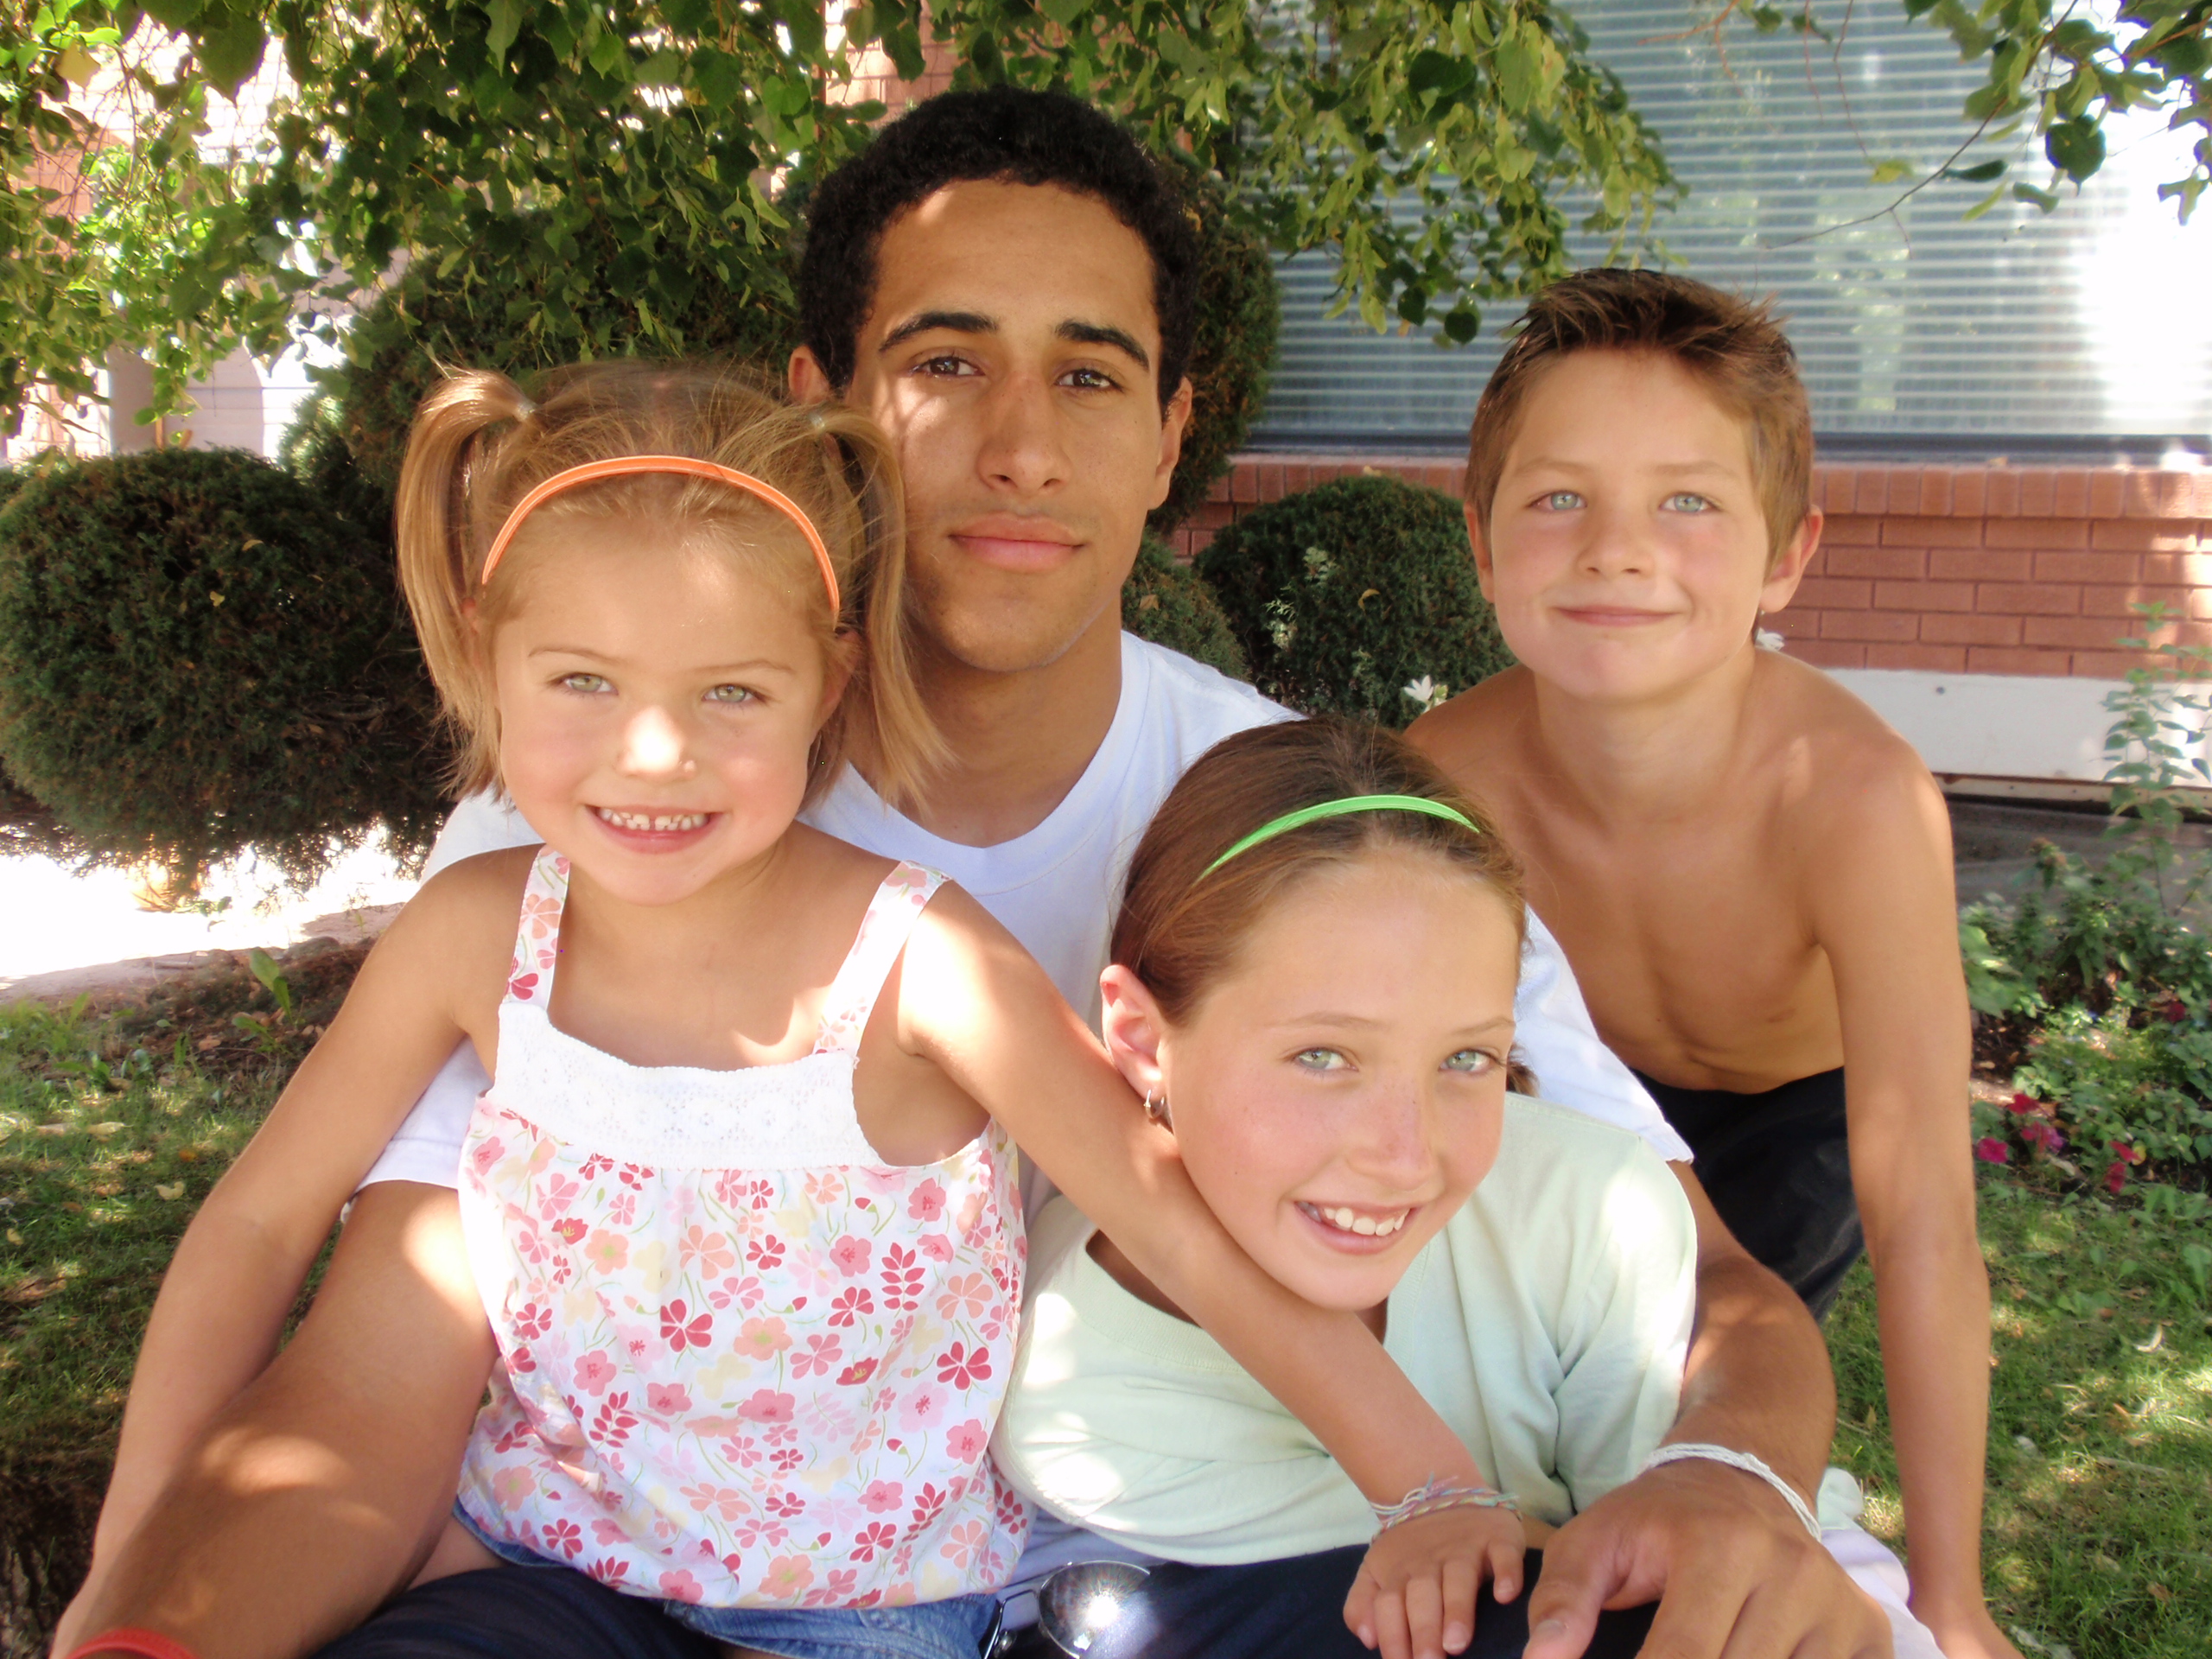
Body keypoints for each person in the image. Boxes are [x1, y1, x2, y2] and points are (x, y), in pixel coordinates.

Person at [59, 89, 1885, 1659]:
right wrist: (152, 1603)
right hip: (602, 1578)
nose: (1018, 446)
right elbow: (374, 1364)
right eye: (943, 365)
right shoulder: (557, 854)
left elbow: (1709, 1287)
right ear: (826, 414)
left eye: (1088, 376)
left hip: (1137, 1573)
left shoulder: (1308, 830)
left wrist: (1723, 1478)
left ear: (1175, 434)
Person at [67, 360, 1529, 1659]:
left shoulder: (923, 964)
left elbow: (1179, 1227)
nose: (654, 755)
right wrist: (129, 1563)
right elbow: (260, 1225)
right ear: (484, 651)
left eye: (731, 695)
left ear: (826, 683)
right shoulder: (475, 929)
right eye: (581, 680)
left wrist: (1431, 1486)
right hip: (536, 1571)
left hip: (858, 1614)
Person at [990, 717, 1935, 1659]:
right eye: (1322, 1056)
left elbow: (1697, 1571)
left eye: (1467, 1057)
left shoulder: (1589, 1208)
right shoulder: (1084, 1381)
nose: (1405, 1156)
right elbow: (1494, 1606)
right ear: (1146, 1041)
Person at [1407, 270, 2012, 1659]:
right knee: (1552, 1397)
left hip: (1788, 1115)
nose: (1618, 549)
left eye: (1687, 501)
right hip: (1579, 1105)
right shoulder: (1448, 774)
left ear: (1787, 553)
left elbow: (1925, 1220)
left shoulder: (1852, 796)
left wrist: (1956, 1598)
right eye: (1559, 497)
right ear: (1483, 546)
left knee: (1713, 1412)